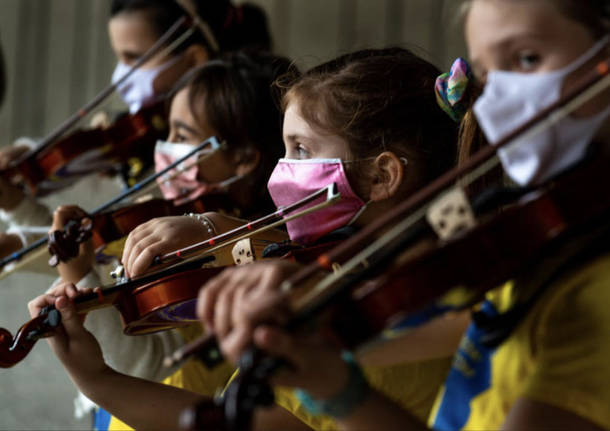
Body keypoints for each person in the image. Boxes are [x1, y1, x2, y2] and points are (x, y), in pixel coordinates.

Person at [200, 1, 610, 430]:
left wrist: (340, 383)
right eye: (488, 75)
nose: (499, 99)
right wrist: (324, 342)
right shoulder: (543, 246)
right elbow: (456, 321)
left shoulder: (592, 286)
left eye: (527, 58)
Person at [28, 47, 470, 430]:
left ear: (382, 175)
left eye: (301, 150)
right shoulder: (351, 274)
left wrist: (99, 381)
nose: (284, 169)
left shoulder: (388, 304)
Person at [0, 0, 271, 262]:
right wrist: (30, 156)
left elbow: (100, 251)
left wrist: (22, 230)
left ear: (194, 60)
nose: (119, 76)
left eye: (134, 58)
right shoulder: (137, 131)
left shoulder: (216, 170)